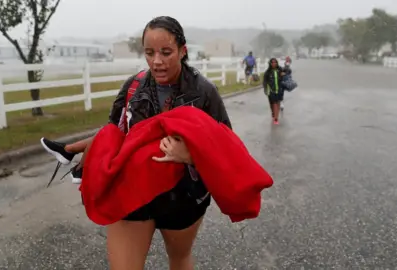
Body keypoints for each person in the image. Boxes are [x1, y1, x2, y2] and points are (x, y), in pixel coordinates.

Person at [41, 16, 231, 270]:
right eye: (149, 52)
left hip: (182, 197)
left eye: (166, 52)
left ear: (183, 51)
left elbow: (228, 148)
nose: (157, 61)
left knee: (180, 258)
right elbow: (114, 133)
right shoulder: (133, 86)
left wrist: (191, 155)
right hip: (131, 190)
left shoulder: (204, 92)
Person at [263, 58, 284, 125]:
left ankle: (276, 118)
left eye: (275, 62)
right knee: (273, 104)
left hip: (280, 90)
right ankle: (275, 117)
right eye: (272, 62)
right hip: (271, 91)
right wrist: (265, 89)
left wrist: (284, 74)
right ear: (270, 63)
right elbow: (265, 81)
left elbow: (288, 72)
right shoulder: (268, 72)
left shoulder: (280, 70)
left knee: (278, 104)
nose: (274, 64)